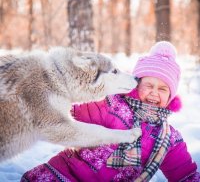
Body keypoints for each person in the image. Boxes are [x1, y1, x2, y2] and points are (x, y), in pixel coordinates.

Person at [21, 41, 200, 182]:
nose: (154, 92)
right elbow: (71, 109)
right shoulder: (111, 103)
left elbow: (185, 174)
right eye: (149, 85)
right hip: (66, 174)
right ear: (137, 85)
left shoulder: (167, 139)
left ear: (170, 96)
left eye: (163, 89)